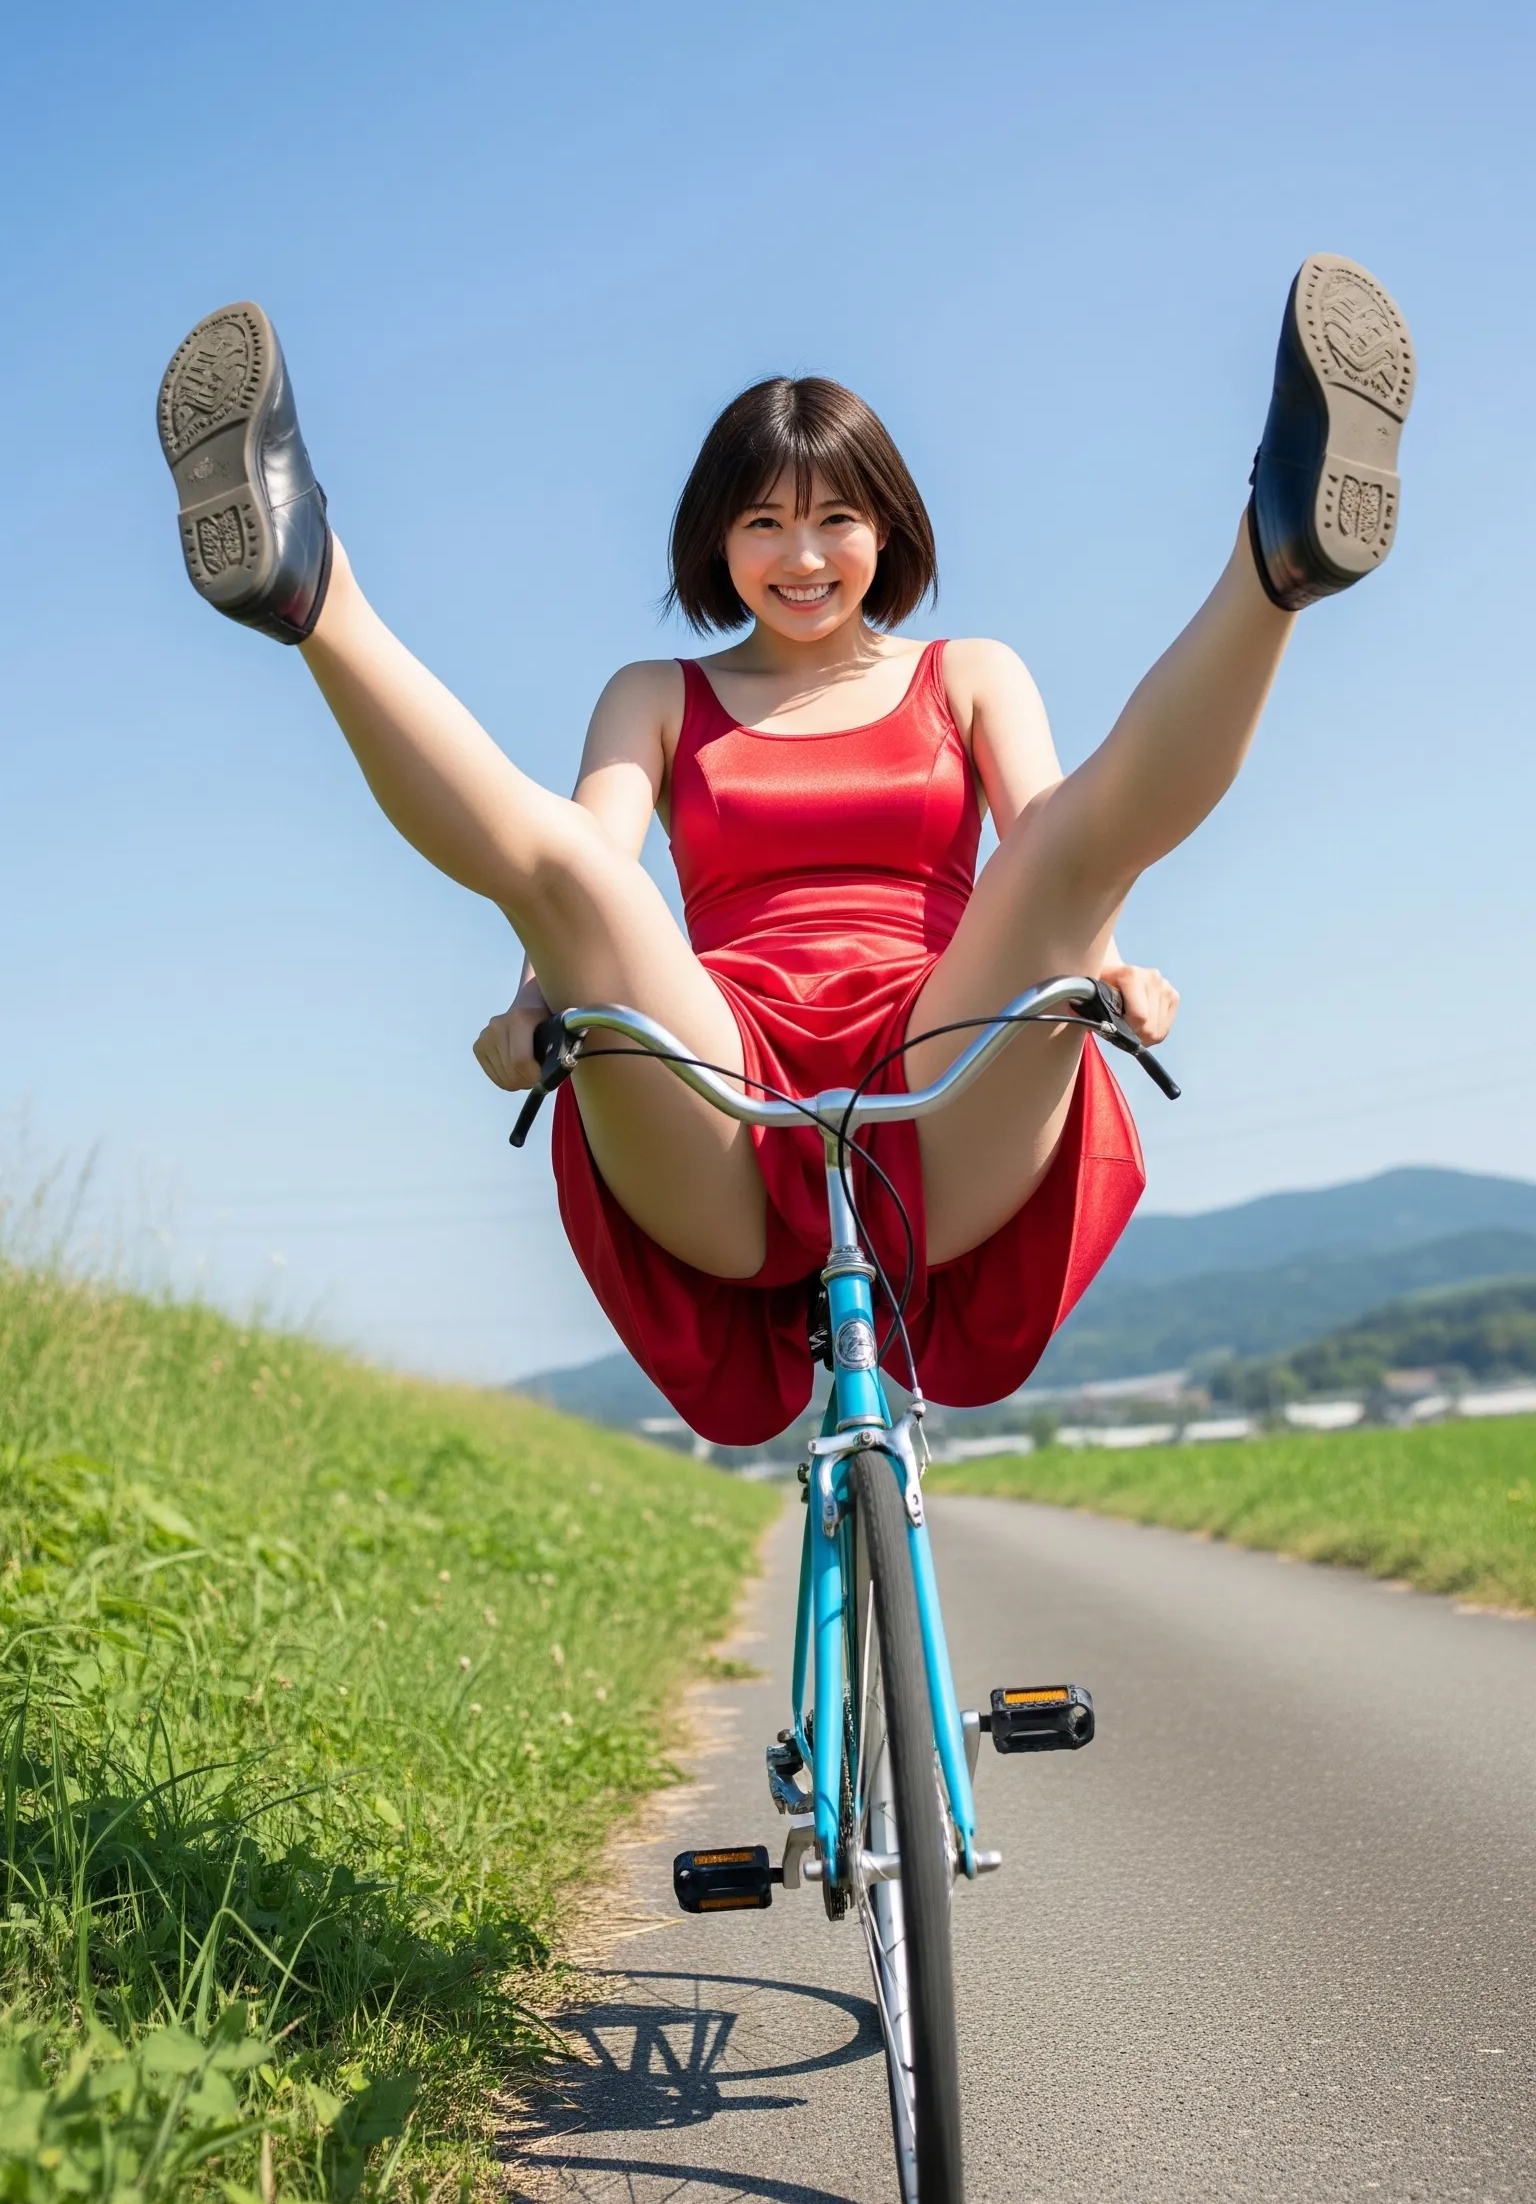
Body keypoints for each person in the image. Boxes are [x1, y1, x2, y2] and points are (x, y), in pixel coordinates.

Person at [155, 256, 1414, 1442]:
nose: (802, 557)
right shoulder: (655, 693)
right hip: (721, 1097)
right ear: (716, 536)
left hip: (942, 1069)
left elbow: (1057, 850)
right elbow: (585, 874)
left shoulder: (970, 672)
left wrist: (1114, 966)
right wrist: (533, 1009)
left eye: (836, 519)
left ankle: (1277, 556)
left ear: (889, 527)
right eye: (763, 521)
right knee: (572, 872)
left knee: (1068, 850)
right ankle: (311, 586)